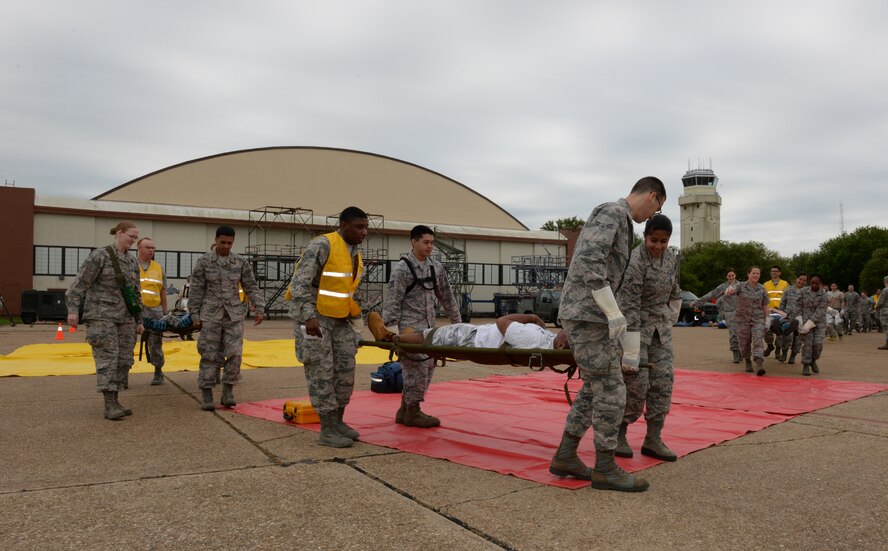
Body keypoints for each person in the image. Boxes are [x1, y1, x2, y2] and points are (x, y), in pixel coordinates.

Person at [548, 176, 665, 493]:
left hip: (594, 315)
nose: (653, 217)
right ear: (652, 196)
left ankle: (566, 455)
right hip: (589, 315)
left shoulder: (624, 223)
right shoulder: (613, 212)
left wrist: (614, 314)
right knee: (613, 390)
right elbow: (589, 260)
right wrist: (611, 311)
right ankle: (604, 468)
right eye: (657, 208)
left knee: (594, 388)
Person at [289, 207, 368, 448]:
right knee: (321, 372)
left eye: (366, 227)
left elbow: (345, 290)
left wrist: (356, 320)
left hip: (340, 318)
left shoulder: (354, 253)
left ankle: (338, 422)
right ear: (344, 225)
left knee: (345, 370)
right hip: (315, 317)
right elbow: (299, 283)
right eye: (358, 227)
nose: (364, 232)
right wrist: (308, 317)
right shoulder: (322, 245)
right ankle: (327, 429)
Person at [615, 214, 682, 462]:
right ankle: (619, 434)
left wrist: (671, 316)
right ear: (645, 237)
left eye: (664, 241)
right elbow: (629, 305)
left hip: (660, 332)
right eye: (654, 240)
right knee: (635, 384)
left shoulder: (671, 258)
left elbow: (674, 291)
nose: (658, 246)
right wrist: (630, 350)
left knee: (663, 384)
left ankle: (653, 438)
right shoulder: (634, 261)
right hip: (636, 331)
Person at [380, 225, 462, 428]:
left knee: (428, 368)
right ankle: (413, 411)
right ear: (413, 242)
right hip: (409, 330)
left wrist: (458, 325)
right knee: (416, 371)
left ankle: (405, 410)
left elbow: (447, 297)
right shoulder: (402, 269)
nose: (430, 246)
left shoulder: (436, 268)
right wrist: (390, 334)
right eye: (425, 242)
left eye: (432, 243)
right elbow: (393, 301)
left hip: (429, 329)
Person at [65, 221, 144, 420]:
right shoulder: (100, 256)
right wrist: (73, 310)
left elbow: (135, 293)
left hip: (125, 317)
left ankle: (115, 400)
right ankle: (109, 405)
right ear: (119, 233)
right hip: (101, 316)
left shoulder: (132, 261)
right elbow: (79, 285)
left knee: (124, 359)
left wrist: (139, 319)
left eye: (136, 238)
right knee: (108, 359)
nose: (133, 241)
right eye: (131, 236)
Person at [189, 225, 265, 411]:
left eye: (229, 243)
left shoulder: (239, 262)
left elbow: (251, 286)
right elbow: (197, 289)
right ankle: (207, 392)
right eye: (222, 242)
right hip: (210, 314)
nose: (225, 246)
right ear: (216, 240)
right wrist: (194, 314)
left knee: (235, 353)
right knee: (209, 353)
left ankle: (228, 391)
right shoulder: (204, 261)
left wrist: (259, 307)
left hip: (233, 314)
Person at [369, 312, 569, 349]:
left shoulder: (531, 336)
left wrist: (533, 318)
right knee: (432, 333)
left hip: (473, 338)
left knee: (434, 335)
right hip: (480, 335)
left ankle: (391, 337)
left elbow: (503, 321)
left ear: (560, 344)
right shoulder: (547, 340)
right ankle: (407, 336)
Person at [726, 266, 770, 375]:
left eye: (758, 274)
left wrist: (768, 319)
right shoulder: (740, 286)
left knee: (758, 339)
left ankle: (759, 364)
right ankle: (747, 360)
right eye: (753, 273)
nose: (756, 275)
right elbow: (732, 289)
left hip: (758, 319)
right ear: (748, 274)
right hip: (742, 319)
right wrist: (730, 290)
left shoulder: (762, 288)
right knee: (744, 343)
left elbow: (765, 305)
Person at [137, 237, 168, 385]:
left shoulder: (158, 268)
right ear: (139, 248)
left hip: (155, 311)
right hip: (134, 310)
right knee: (126, 342)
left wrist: (164, 312)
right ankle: (122, 375)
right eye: (148, 247)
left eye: (153, 248)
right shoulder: (130, 266)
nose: (151, 250)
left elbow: (163, 291)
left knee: (156, 343)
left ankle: (158, 371)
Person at [694, 268, 740, 362]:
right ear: (726, 277)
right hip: (730, 312)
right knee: (733, 334)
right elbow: (711, 294)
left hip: (741, 312)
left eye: (732, 275)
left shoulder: (741, 285)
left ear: (735, 275)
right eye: (729, 276)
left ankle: (742, 352)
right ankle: (735, 353)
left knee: (742, 334)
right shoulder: (723, 287)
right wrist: (698, 302)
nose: (731, 277)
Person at [798, 275, 828, 375]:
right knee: (807, 344)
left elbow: (821, 310)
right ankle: (806, 364)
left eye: (816, 283)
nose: (814, 285)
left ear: (820, 284)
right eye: (812, 283)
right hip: (805, 322)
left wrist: (810, 322)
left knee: (818, 344)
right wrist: (799, 320)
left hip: (818, 323)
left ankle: (813, 360)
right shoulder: (803, 292)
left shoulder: (823, 295)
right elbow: (797, 305)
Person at [776, 272, 807, 364]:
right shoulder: (788, 290)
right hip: (788, 317)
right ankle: (784, 353)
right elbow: (782, 303)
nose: (801, 281)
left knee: (798, 338)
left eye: (804, 280)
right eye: (800, 279)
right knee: (787, 335)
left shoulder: (807, 292)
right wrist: (781, 314)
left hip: (801, 318)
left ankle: (793, 356)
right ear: (796, 279)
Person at [762, 266, 789, 358]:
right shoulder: (765, 284)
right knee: (766, 328)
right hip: (769, 311)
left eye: (776, 271)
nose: (774, 273)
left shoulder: (785, 284)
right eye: (772, 271)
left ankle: (778, 349)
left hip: (780, 311)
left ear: (780, 273)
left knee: (780, 331)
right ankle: (770, 346)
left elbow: (788, 298)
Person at [877, 276, 888, 350]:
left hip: (885, 310)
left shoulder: (885, 290)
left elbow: (881, 302)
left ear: (885, 281)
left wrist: (877, 307)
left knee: (886, 326)